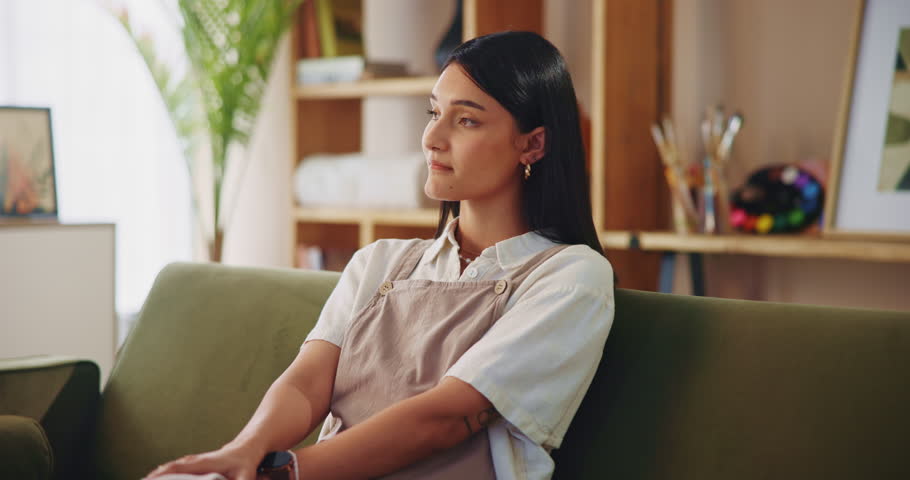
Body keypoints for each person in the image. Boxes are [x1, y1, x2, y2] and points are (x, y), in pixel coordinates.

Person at [145, 30, 615, 480]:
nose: (433, 138)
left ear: (533, 143)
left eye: (466, 119)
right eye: (434, 113)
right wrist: (242, 452)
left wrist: (288, 473)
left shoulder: (570, 277)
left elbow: (446, 418)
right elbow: (308, 383)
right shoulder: (380, 261)